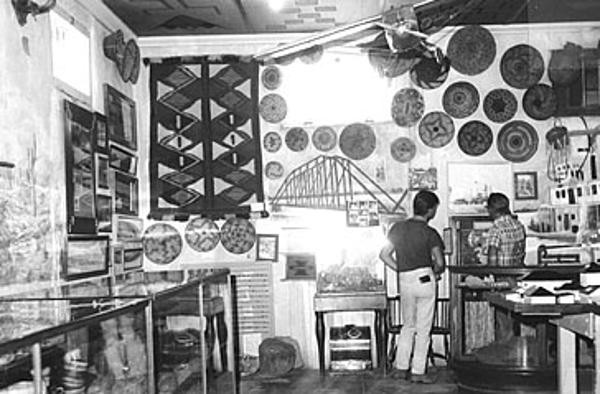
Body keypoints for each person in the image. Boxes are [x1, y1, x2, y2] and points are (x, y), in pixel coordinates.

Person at [379, 190, 445, 384]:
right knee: (423, 328)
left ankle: (400, 368)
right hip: (424, 279)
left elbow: (384, 255)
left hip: (404, 279)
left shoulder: (397, 228)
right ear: (431, 210)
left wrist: (401, 268)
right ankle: (418, 371)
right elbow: (440, 262)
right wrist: (434, 272)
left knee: (408, 325)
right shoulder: (430, 232)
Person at [483, 192, 526, 343]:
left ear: (493, 209)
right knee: (514, 318)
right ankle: (515, 351)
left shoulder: (496, 228)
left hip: (501, 278)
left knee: (502, 321)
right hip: (517, 277)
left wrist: (488, 276)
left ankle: (504, 354)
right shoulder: (519, 225)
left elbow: (492, 257)